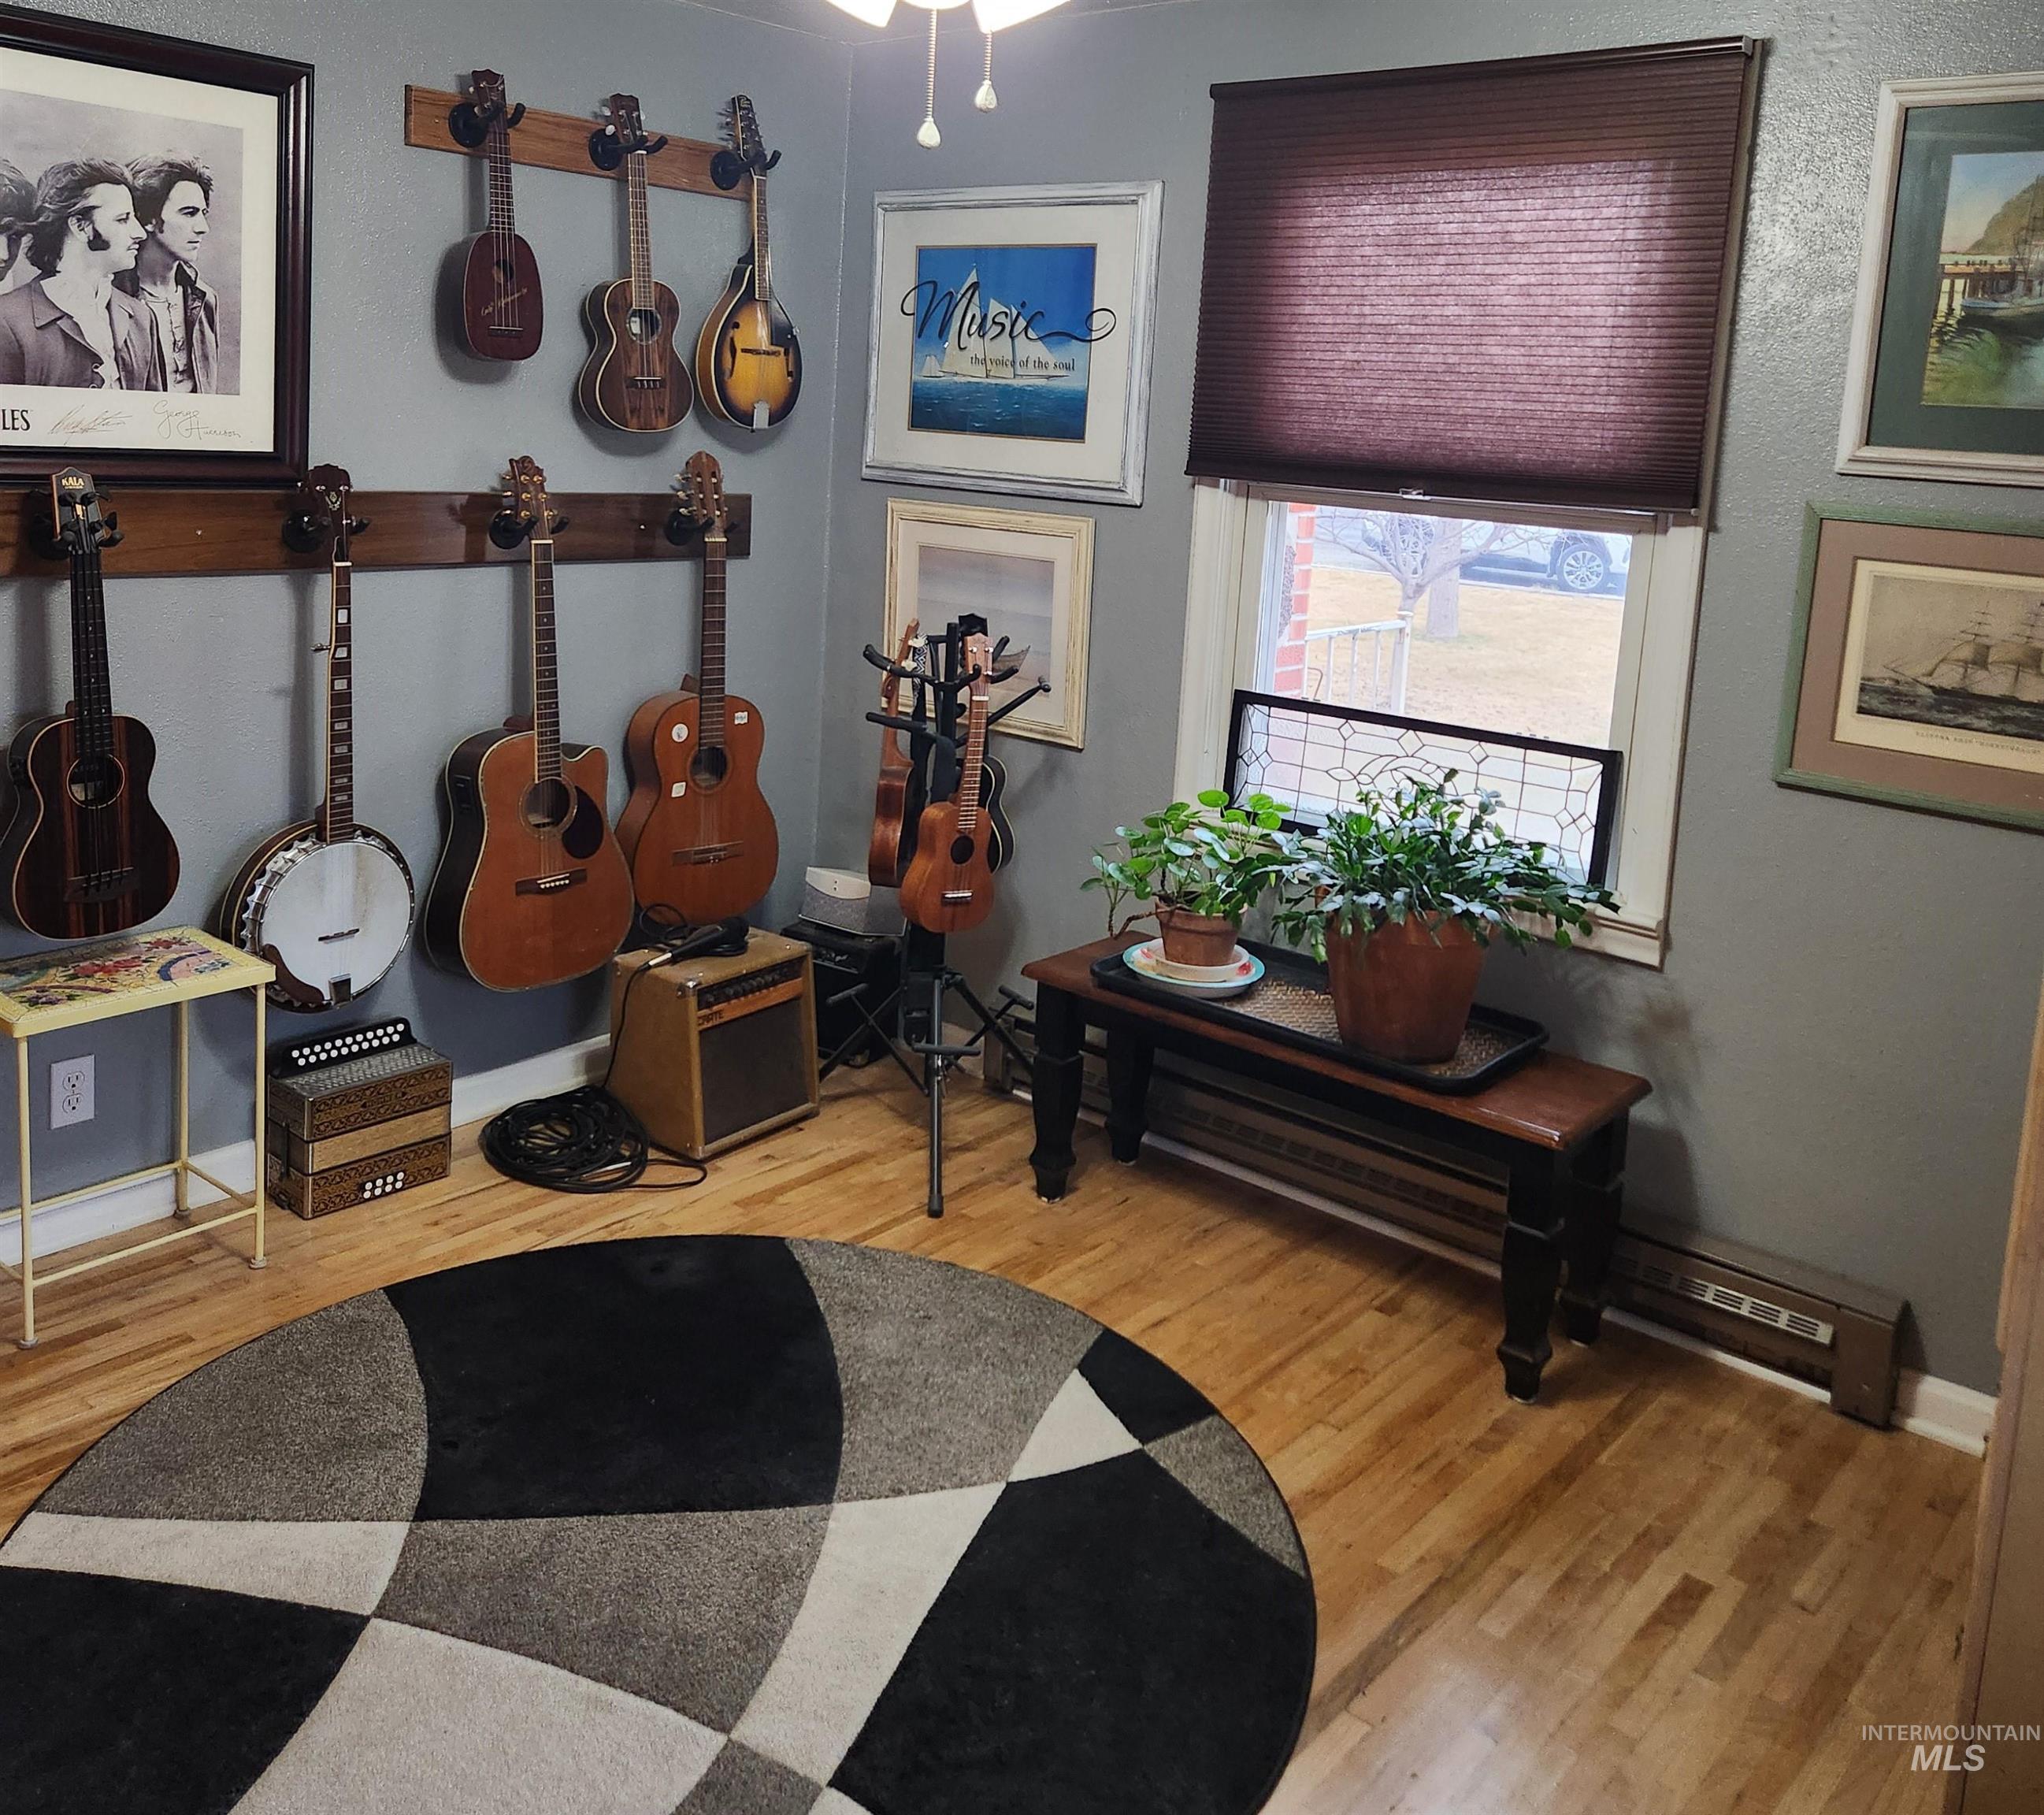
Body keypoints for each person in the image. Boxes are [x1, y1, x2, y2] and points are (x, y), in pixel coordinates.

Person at [0, 159, 161, 390]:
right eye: (122, 219)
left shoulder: (141, 317)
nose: (139, 233)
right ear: (80, 226)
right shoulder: (7, 320)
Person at [117, 154, 219, 394]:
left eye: (203, 213)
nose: (203, 227)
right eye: (189, 213)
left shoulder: (205, 298)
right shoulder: (111, 299)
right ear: (150, 218)